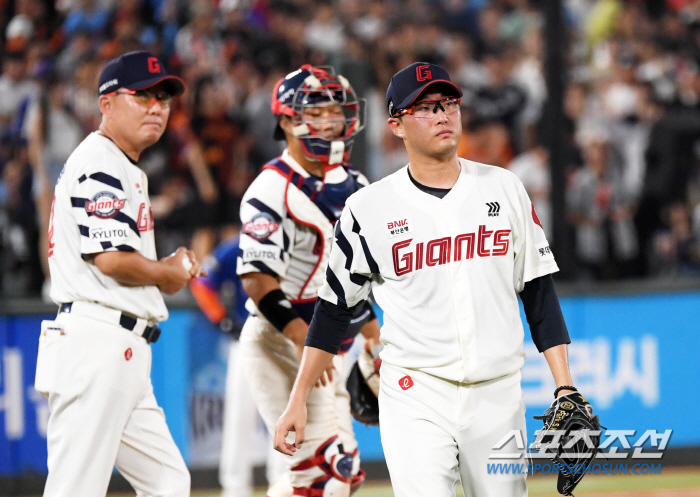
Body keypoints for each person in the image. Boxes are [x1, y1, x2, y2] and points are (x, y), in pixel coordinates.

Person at [274, 62, 590, 497]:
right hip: (414, 393)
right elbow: (333, 309)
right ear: (396, 125)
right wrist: (298, 399)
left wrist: (565, 385)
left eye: (448, 103)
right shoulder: (369, 208)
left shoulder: (504, 188)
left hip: (497, 395)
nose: (442, 115)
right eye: (425, 108)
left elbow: (539, 295)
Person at [35, 51, 205, 497]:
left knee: (169, 482)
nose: (156, 107)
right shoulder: (100, 160)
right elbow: (110, 259)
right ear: (106, 103)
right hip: (97, 343)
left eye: (164, 98)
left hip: (119, 347)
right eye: (143, 96)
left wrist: (163, 267)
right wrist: (166, 273)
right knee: (76, 488)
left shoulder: (121, 164)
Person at [236, 64, 381, 497]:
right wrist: (304, 339)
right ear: (285, 119)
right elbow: (258, 281)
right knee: (324, 474)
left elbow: (350, 277)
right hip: (283, 338)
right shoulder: (270, 188)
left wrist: (373, 334)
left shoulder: (357, 184)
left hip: (328, 341)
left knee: (343, 476)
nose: (330, 122)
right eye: (316, 112)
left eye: (336, 112)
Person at [189, 233, 288, 497]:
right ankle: (234, 489)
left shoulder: (293, 239)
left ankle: (281, 485)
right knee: (240, 415)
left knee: (283, 415)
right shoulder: (240, 245)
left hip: (286, 338)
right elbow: (201, 281)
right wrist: (221, 319)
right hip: (249, 338)